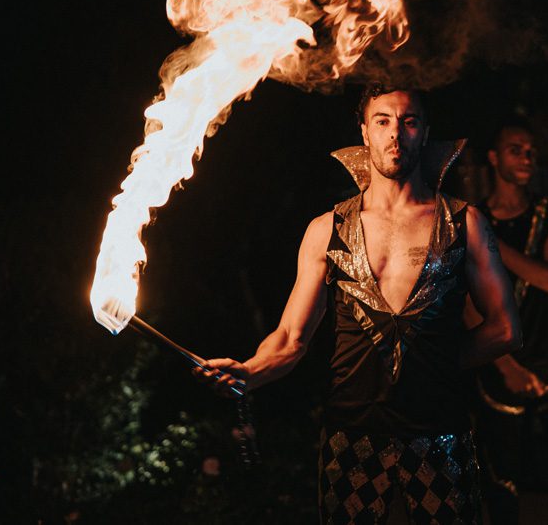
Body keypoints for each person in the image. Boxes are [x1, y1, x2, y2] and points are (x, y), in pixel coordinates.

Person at [195, 85, 521, 524]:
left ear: (424, 133)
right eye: (383, 120)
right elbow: (292, 338)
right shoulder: (326, 229)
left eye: (409, 121)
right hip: (352, 437)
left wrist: (441, 359)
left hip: (439, 433)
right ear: (364, 132)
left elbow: (505, 328)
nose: (396, 133)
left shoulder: (464, 222)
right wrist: (249, 372)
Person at [468, 118, 548, 524]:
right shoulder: (473, 220)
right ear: (493, 157)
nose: (526, 156)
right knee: (502, 480)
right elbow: (468, 306)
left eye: (531, 150)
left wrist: (489, 242)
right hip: (501, 363)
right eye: (515, 149)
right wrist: (506, 367)